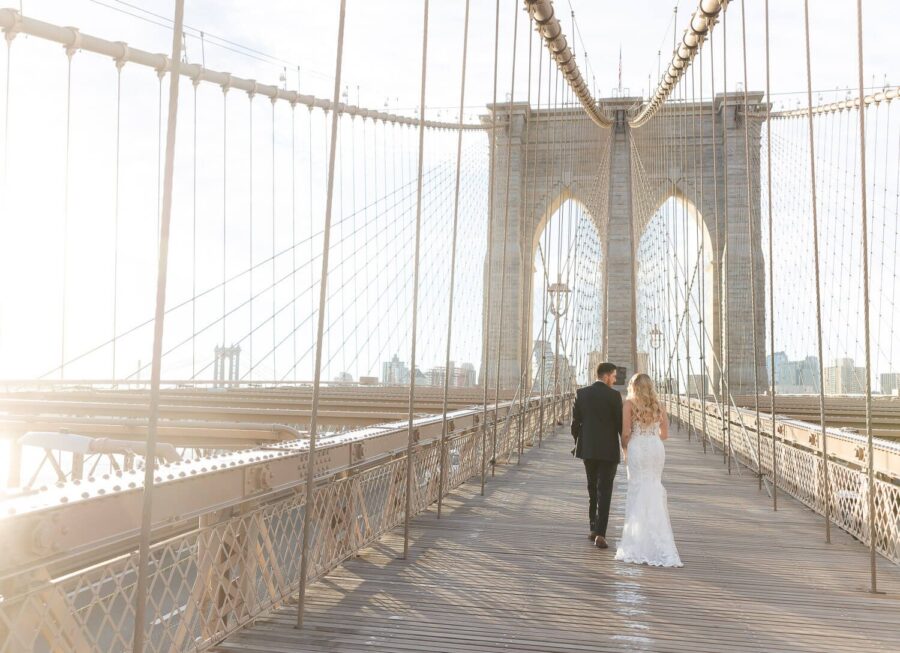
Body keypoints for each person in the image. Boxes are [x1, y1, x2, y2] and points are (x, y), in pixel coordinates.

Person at [614, 373, 683, 567]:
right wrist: (650, 436)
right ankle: (659, 541)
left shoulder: (628, 405)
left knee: (637, 489)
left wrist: (626, 448)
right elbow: (665, 434)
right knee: (653, 487)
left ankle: (638, 540)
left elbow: (626, 433)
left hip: (638, 448)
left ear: (632, 386)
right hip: (655, 449)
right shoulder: (659, 405)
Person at [571, 362, 623, 549]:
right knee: (605, 491)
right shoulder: (615, 396)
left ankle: (593, 527)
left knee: (592, 488)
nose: (615, 379)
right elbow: (620, 426)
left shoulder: (581, 393)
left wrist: (580, 441)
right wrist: (625, 447)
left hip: (588, 450)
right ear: (607, 375)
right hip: (609, 451)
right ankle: (601, 533)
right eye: (614, 376)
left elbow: (575, 423)